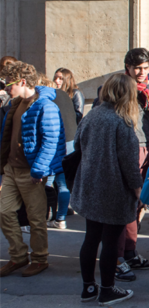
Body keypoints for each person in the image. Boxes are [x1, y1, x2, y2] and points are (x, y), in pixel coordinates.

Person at [71, 74, 142, 307]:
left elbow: (77, 145)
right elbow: (130, 166)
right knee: (111, 242)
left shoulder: (93, 115)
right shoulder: (122, 121)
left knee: (91, 238)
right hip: (114, 191)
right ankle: (108, 291)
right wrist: (138, 192)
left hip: (90, 186)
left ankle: (88, 288)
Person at [0, 61, 65, 278]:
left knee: (36, 218)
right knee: (4, 212)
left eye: (9, 84)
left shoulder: (45, 106)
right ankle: (18, 256)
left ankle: (39, 258)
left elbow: (51, 141)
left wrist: (39, 170)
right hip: (11, 169)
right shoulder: (15, 104)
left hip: (32, 172)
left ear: (22, 81)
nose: (6, 88)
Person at [114, 48, 149, 280]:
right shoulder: (119, 87)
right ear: (128, 68)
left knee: (138, 204)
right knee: (123, 203)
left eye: (145, 68)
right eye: (137, 68)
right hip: (126, 147)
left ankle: (131, 252)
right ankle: (118, 256)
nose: (141, 72)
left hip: (147, 148)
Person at [47, 70, 81, 229]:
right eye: (55, 77)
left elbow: (78, 115)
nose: (57, 80)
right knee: (60, 182)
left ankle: (56, 216)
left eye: (61, 78)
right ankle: (59, 216)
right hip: (67, 140)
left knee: (54, 181)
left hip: (62, 141)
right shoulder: (63, 97)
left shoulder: (73, 94)